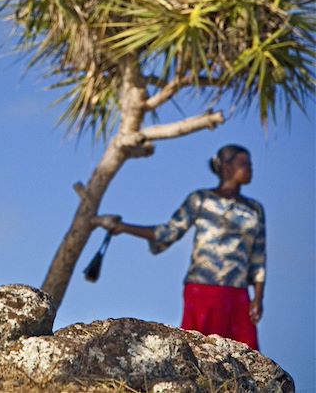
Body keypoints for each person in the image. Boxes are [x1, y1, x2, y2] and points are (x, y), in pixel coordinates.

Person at [95, 144, 266, 350]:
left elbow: (258, 258)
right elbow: (169, 232)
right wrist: (123, 228)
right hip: (202, 289)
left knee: (246, 356)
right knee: (200, 351)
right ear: (225, 166)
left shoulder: (254, 209)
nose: (250, 168)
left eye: (250, 164)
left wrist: (257, 298)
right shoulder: (201, 200)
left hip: (238, 293)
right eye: (243, 163)